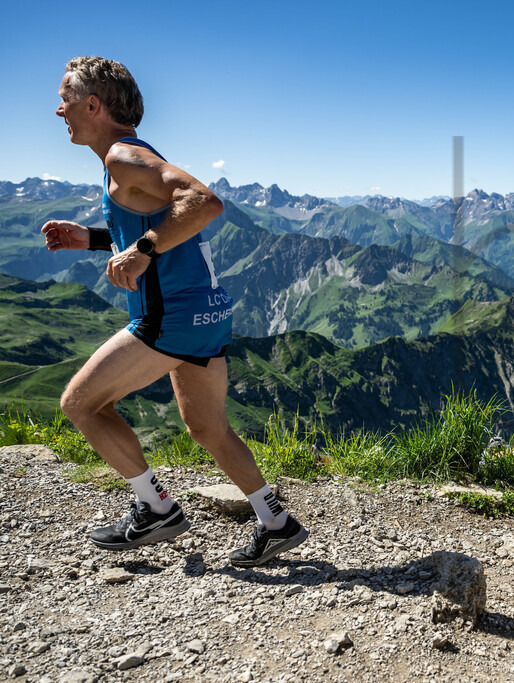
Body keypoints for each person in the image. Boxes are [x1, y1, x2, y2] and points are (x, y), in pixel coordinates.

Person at [41, 56, 307, 566]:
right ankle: (275, 521)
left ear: (93, 104)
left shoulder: (122, 156)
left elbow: (204, 202)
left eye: (66, 98)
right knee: (208, 428)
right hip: (207, 311)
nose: (59, 110)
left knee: (80, 403)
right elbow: (166, 227)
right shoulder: (127, 161)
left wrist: (140, 249)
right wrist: (95, 240)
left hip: (171, 318)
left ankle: (156, 508)